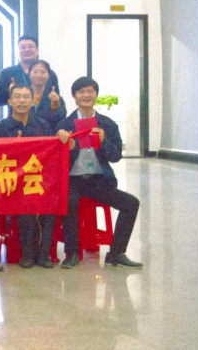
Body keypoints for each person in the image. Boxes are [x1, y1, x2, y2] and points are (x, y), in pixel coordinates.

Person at [57, 76, 142, 269]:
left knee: (131, 203)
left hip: (99, 181)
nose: (86, 95)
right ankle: (72, 254)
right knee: (69, 202)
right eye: (81, 92)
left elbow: (116, 156)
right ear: (74, 96)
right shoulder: (64, 125)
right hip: (73, 180)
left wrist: (103, 141)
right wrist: (66, 148)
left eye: (90, 91)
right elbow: (56, 161)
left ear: (96, 95)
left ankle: (116, 253)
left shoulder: (107, 124)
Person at [0, 84, 67, 269]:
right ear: (10, 102)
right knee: (26, 203)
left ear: (32, 101)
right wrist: (14, 149)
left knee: (50, 202)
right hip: (12, 182)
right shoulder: (0, 128)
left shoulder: (43, 126)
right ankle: (27, 253)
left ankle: (44, 253)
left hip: (38, 180)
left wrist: (63, 139)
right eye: (17, 97)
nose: (22, 101)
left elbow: (53, 152)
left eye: (26, 97)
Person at [0, 35, 60, 107]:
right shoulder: (7, 73)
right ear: (18, 50)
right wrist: (10, 92)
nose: (26, 50)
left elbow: (57, 101)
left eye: (30, 47)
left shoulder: (49, 74)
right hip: (17, 113)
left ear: (37, 50)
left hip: (44, 114)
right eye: (22, 47)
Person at [29, 59, 66, 128]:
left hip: (48, 133)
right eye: (35, 71)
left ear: (48, 76)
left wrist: (55, 109)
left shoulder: (55, 98)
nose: (39, 75)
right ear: (30, 74)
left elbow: (62, 120)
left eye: (43, 72)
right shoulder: (22, 96)